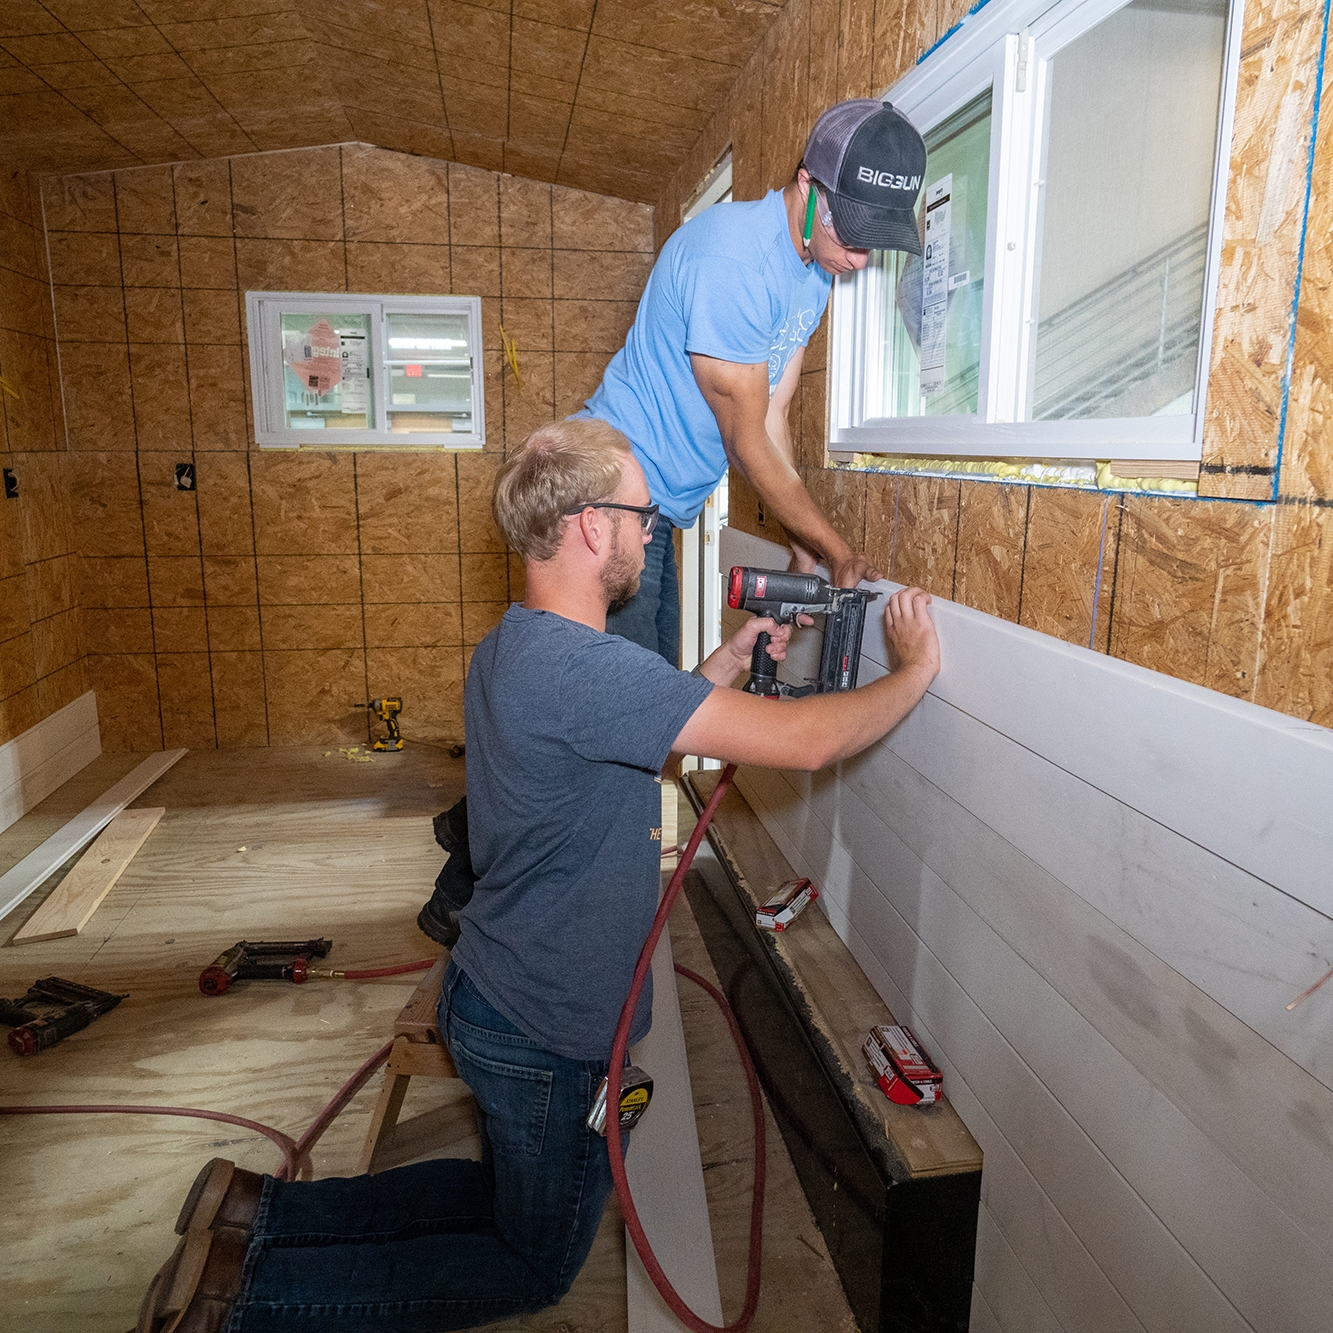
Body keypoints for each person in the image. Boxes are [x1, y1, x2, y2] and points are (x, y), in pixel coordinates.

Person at [132, 417, 940, 1333]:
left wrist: (721, 666)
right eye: (643, 516)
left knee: (496, 1199)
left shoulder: (517, 647)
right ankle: (239, 1307)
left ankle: (252, 1217)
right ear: (593, 525)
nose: (648, 533)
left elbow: (639, 756)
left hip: (494, 992)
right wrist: (912, 669)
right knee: (530, 1262)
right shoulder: (589, 673)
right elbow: (811, 741)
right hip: (547, 1032)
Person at [583, 98, 927, 663]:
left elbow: (772, 419)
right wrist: (838, 552)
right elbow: (744, 441)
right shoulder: (734, 262)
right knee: (630, 722)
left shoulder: (814, 274)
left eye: (875, 242)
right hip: (606, 498)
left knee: (664, 712)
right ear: (807, 186)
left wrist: (804, 554)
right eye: (854, 236)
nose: (861, 260)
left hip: (655, 508)